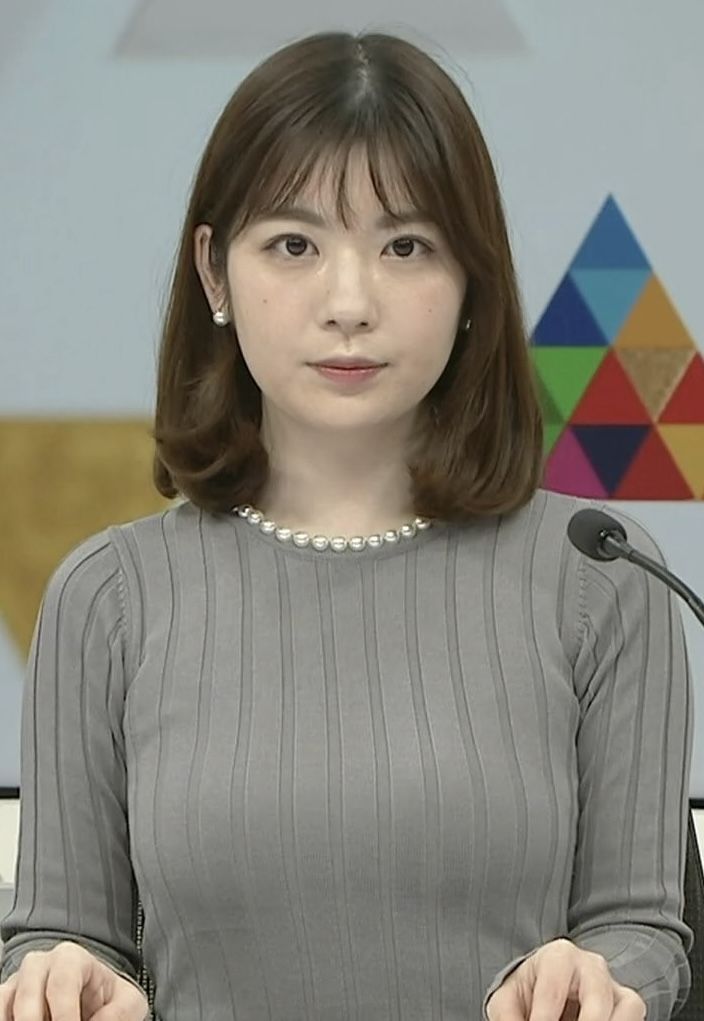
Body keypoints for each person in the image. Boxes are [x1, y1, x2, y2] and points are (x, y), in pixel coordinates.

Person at [0, 27, 693, 1021]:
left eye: (406, 246)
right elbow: (60, 936)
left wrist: (602, 978)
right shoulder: (106, 596)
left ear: (472, 281)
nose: (350, 302)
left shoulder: (604, 577)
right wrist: (68, 979)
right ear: (213, 273)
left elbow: (641, 927)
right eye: (294, 245)